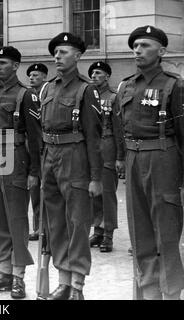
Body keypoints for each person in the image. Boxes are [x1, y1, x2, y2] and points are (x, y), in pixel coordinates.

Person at [116, 25, 184, 300]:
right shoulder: (127, 85)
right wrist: (121, 159)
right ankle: (149, 292)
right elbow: (121, 127)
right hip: (134, 158)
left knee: (166, 234)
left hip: (162, 158)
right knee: (140, 232)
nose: (138, 50)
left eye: (145, 45)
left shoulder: (175, 85)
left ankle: (170, 294)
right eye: (136, 45)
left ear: (162, 51)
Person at [40, 33, 103, 300]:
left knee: (77, 223)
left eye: (64, 52)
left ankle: (77, 285)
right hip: (49, 157)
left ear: (78, 56)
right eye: (56, 52)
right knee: (55, 223)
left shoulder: (86, 90)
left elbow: (94, 136)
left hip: (75, 156)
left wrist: (96, 177)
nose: (57, 57)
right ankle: (63, 282)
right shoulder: (48, 88)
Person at [0, 46, 42, 299]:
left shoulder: (26, 95)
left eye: (3, 62)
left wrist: (35, 171)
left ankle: (18, 275)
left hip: (15, 159)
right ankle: (3, 271)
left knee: (16, 218)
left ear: (16, 66)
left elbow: (35, 138)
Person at [87, 61, 124, 253]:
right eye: (92, 72)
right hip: (91, 147)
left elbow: (119, 128)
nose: (94, 75)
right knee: (94, 192)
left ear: (107, 76)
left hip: (108, 144)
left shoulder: (113, 97)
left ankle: (108, 235)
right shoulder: (87, 95)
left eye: (98, 73)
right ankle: (97, 230)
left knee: (108, 193)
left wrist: (120, 156)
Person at [26, 63, 48, 241]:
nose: (32, 78)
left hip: (47, 148)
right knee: (34, 190)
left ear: (44, 77)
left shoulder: (47, 95)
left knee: (47, 189)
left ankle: (48, 227)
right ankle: (38, 227)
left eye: (36, 75)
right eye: (30, 75)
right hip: (31, 148)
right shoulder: (26, 96)